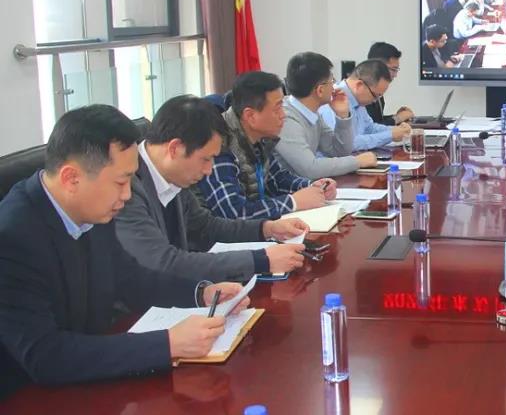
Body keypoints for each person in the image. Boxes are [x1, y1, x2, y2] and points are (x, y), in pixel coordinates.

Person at [0, 105, 248, 398]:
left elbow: (129, 277)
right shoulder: (12, 238)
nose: (127, 195)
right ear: (71, 179)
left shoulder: (93, 208)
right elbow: (45, 356)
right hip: (29, 397)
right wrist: (167, 344)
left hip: (89, 379)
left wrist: (201, 293)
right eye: (120, 182)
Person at [114, 95, 309, 282]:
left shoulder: (172, 175)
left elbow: (205, 227)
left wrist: (267, 228)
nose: (208, 170)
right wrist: (260, 260)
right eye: (205, 159)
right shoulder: (125, 189)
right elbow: (163, 262)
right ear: (175, 149)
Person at [196, 71, 337, 220]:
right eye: (277, 109)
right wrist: (293, 202)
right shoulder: (219, 145)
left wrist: (314, 186)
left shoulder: (260, 137)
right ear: (250, 116)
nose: (283, 115)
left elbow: (277, 180)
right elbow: (234, 212)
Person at [276, 52, 377, 179]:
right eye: (332, 81)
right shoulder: (286, 118)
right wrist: (357, 161)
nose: (334, 87)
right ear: (320, 90)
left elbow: (339, 151)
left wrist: (343, 116)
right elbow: (311, 168)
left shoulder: (312, 113)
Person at [318, 59, 410, 153]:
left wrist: (396, 130)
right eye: (375, 95)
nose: (375, 101)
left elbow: (369, 128)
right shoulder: (333, 99)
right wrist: (390, 135)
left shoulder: (358, 101)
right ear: (359, 85)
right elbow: (346, 144)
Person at [364, 42, 414, 126]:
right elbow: (369, 129)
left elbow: (376, 120)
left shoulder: (377, 89)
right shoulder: (363, 91)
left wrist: (397, 117)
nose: (395, 75)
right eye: (393, 69)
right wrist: (397, 118)